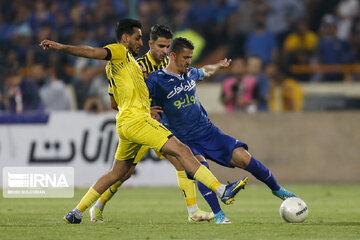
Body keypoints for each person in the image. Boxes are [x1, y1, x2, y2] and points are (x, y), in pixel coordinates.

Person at [40, 19, 247, 224]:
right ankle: (221, 190)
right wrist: (61, 47)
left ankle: (76, 212)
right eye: (138, 38)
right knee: (183, 151)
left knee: (119, 173)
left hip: (126, 123)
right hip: (139, 121)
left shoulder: (130, 65)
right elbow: (93, 52)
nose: (140, 42)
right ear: (125, 38)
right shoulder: (120, 52)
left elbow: (118, 100)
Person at [89, 24, 228, 224]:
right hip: (140, 124)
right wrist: (146, 109)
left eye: (168, 47)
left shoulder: (169, 68)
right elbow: (114, 103)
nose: (165, 51)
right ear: (150, 44)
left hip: (163, 127)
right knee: (124, 173)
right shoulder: (133, 66)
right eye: (161, 46)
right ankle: (98, 207)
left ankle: (193, 210)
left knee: (182, 158)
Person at [146, 37, 297, 211]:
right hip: (183, 140)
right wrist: (147, 110)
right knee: (202, 170)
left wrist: (218, 66)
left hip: (208, 132)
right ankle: (218, 214)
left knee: (244, 157)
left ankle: (277, 189)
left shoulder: (191, 73)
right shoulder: (157, 79)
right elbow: (135, 97)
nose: (189, 62)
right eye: (186, 58)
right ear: (173, 55)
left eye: (190, 58)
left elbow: (206, 71)